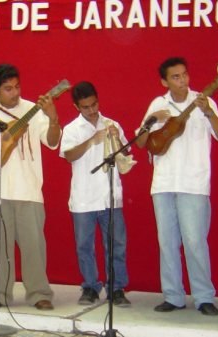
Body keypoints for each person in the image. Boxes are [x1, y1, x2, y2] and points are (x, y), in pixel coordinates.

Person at [136, 57, 218, 316]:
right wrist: (151, 120)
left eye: (184, 75)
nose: (182, 81)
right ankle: (173, 296)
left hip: (194, 183)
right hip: (163, 183)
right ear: (164, 81)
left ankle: (203, 296)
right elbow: (142, 142)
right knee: (166, 242)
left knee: (195, 241)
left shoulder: (203, 101)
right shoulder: (158, 103)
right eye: (175, 77)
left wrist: (208, 112)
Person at [0, 63, 61, 311]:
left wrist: (53, 117)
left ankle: (39, 293)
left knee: (34, 246)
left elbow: (52, 142)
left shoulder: (32, 109)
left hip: (29, 190)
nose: (15, 93)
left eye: (17, 87)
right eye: (8, 89)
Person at [59, 81, 131, 307]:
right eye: (85, 107)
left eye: (94, 104)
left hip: (110, 196)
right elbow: (68, 155)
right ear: (76, 107)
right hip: (83, 198)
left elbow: (126, 154)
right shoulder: (72, 129)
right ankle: (90, 286)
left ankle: (117, 288)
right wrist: (92, 140)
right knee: (84, 245)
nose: (91, 110)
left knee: (116, 244)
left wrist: (116, 137)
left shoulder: (112, 123)